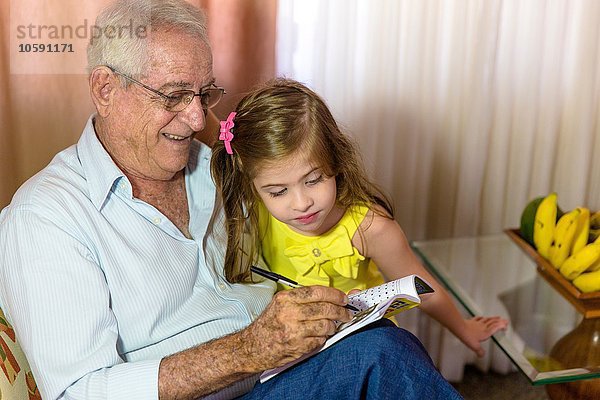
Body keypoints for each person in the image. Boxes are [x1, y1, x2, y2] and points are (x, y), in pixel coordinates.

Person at [0, 0, 464, 399]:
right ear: (105, 89)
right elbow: (80, 391)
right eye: (175, 95)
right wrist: (246, 350)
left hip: (277, 373)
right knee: (381, 356)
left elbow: (304, 202)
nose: (198, 117)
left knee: (381, 343)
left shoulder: (217, 168)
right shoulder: (45, 217)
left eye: (204, 94)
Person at [211, 78, 509, 359]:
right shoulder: (254, 207)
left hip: (363, 343)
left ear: (336, 161)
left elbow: (423, 288)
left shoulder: (371, 228)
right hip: (295, 351)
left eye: (313, 180)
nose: (301, 204)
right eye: (278, 191)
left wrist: (465, 328)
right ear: (252, 186)